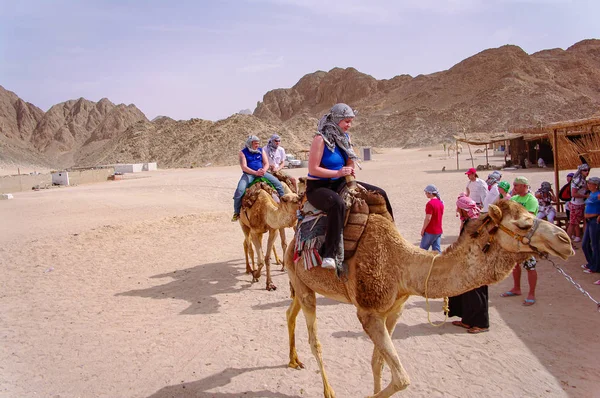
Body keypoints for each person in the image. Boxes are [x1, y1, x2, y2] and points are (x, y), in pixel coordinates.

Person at [306, 103, 393, 269]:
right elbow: (313, 169)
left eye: (351, 121)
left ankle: (391, 233)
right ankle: (329, 254)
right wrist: (338, 173)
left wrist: (350, 165)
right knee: (336, 204)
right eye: (346, 121)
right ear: (337, 120)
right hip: (318, 186)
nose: (349, 125)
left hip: (341, 181)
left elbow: (348, 163)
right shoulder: (320, 139)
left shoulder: (345, 138)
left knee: (379, 193)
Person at [449, 194, 489, 334]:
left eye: (459, 207)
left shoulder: (475, 224)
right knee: (466, 293)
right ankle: (467, 320)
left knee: (477, 293)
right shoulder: (469, 222)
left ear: (464, 209)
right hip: (467, 262)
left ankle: (481, 324)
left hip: (476, 264)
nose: (457, 210)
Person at [500, 176, 539, 306]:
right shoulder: (515, 199)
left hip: (527, 238)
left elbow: (528, 218)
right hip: (515, 237)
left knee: (530, 265)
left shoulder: (531, 200)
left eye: (516, 185)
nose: (514, 187)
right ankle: (516, 288)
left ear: (524, 186)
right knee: (515, 264)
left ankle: (532, 293)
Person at [232, 135, 285, 222]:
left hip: (262, 173)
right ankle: (237, 212)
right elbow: (244, 167)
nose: (257, 145)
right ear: (250, 143)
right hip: (249, 174)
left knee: (278, 184)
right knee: (240, 191)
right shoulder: (242, 152)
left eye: (258, 143)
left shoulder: (261, 150)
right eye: (255, 143)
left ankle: (283, 205)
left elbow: (266, 163)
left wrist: (263, 170)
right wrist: (255, 172)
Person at [582, 177, 600, 274]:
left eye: (590, 184)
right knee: (585, 244)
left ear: (596, 185)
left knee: (595, 244)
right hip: (589, 221)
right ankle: (591, 263)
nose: (588, 185)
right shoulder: (591, 194)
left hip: (595, 221)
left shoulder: (598, 195)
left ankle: (596, 266)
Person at [568, 164, 590, 243]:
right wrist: (585, 196)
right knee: (573, 223)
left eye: (588, 170)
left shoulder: (582, 179)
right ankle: (567, 241)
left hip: (582, 203)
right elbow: (573, 194)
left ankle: (585, 239)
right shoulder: (578, 180)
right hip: (576, 204)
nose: (587, 172)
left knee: (585, 221)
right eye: (585, 170)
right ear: (581, 171)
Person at [419, 184, 444, 252]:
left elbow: (428, 218)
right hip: (438, 231)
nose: (425, 194)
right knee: (437, 251)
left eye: (426, 192)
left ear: (430, 193)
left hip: (430, 231)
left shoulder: (430, 204)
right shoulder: (440, 203)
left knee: (422, 250)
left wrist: (423, 229)